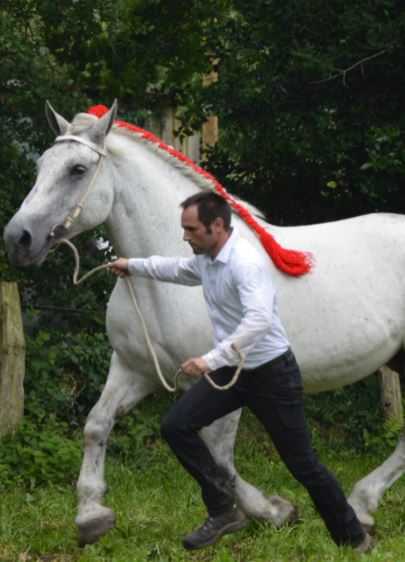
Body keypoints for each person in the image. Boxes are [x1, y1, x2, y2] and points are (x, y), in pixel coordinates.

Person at [107, 191, 372, 553]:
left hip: (271, 376)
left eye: (191, 229)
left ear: (217, 225)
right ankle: (223, 510)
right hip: (232, 373)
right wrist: (132, 264)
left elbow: (258, 321)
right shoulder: (208, 257)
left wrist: (209, 360)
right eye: (184, 229)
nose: (185, 237)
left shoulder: (244, 262)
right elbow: (177, 269)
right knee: (176, 426)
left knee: (303, 465)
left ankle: (353, 537)